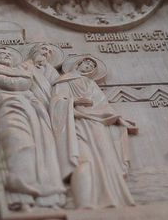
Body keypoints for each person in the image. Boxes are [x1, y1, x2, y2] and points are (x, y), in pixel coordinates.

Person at [0, 46, 66, 208]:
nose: (6, 55)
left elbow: (27, 91)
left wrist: (36, 103)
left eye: (9, 54)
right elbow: (13, 83)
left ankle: (41, 196)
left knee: (36, 149)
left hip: (30, 113)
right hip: (6, 110)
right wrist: (25, 80)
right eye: (2, 53)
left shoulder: (22, 73)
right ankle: (18, 194)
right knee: (18, 145)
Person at [50, 55, 138, 208]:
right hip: (75, 122)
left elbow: (104, 106)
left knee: (106, 160)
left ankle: (110, 199)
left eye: (92, 66)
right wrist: (75, 101)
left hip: (96, 124)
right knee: (83, 160)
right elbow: (57, 102)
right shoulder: (64, 81)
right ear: (78, 64)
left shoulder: (91, 84)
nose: (89, 66)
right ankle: (85, 203)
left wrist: (119, 120)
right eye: (86, 63)